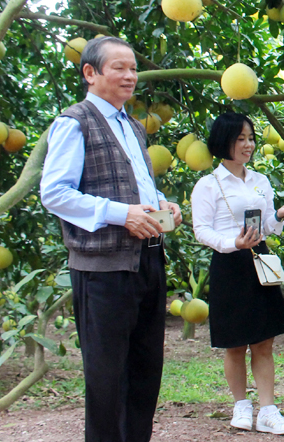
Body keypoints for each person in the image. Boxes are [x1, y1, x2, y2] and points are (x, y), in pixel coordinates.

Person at [40, 36, 184, 442]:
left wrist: (161, 204)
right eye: (119, 67)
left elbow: (136, 188)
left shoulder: (133, 127)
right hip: (103, 271)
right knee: (106, 379)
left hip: (148, 262)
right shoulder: (75, 121)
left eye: (133, 68)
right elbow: (55, 193)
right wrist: (121, 215)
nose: (130, 76)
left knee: (144, 373)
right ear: (90, 73)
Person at [190, 112, 284, 434]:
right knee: (234, 344)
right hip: (229, 264)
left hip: (260, 260)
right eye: (240, 138)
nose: (249, 144)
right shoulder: (208, 185)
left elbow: (267, 226)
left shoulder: (260, 180)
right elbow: (201, 230)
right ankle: (241, 405)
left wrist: (280, 214)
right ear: (223, 142)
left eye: (251, 138)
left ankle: (268, 410)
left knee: (264, 342)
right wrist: (232, 243)